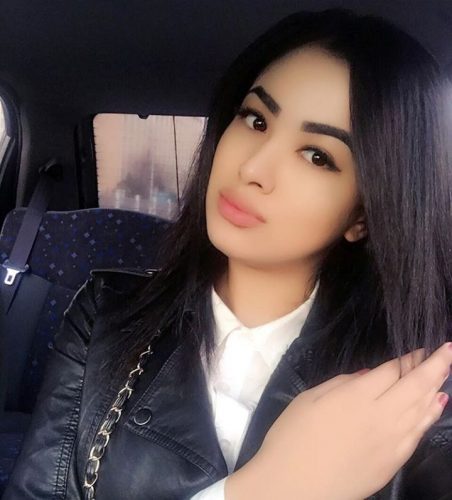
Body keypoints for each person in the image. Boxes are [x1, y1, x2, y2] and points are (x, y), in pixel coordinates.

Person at [4, 7, 452, 500]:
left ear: (362, 216)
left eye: (317, 156)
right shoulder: (106, 312)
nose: (253, 168)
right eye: (256, 120)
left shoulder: (414, 389)